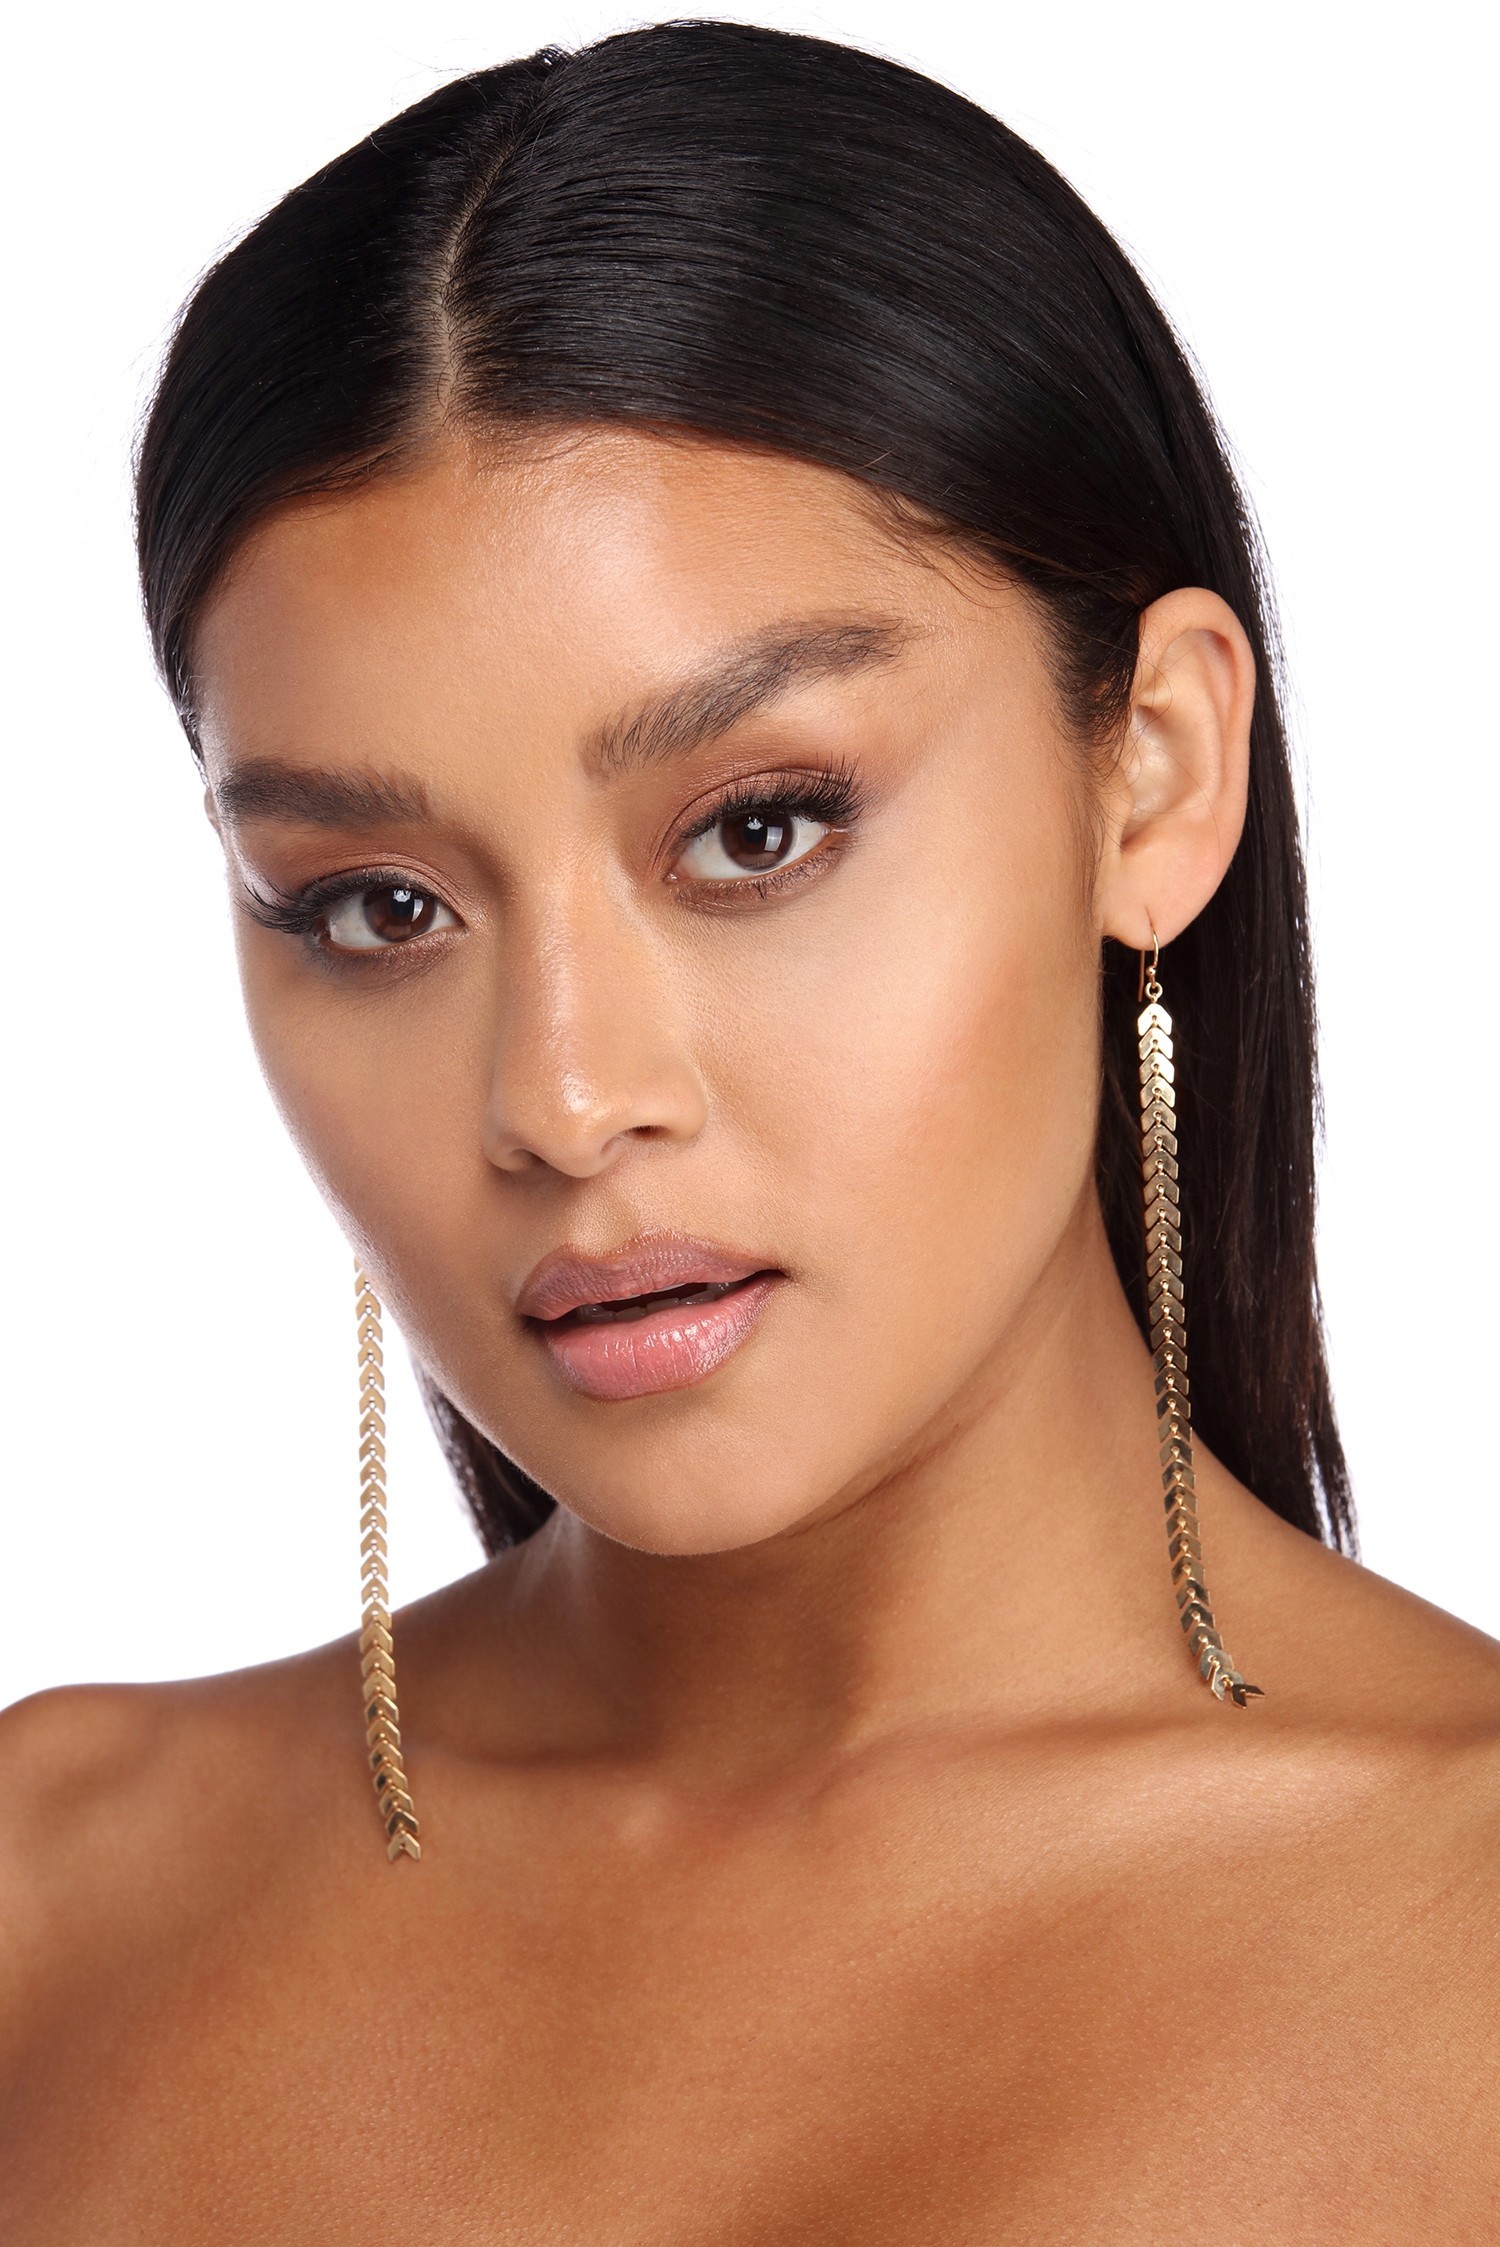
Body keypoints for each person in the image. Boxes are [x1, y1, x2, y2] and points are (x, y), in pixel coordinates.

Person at [3, 21, 1495, 2237]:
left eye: (757, 830)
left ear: (1155, 774)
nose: (562, 1097)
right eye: (379, 907)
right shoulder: (53, 1905)